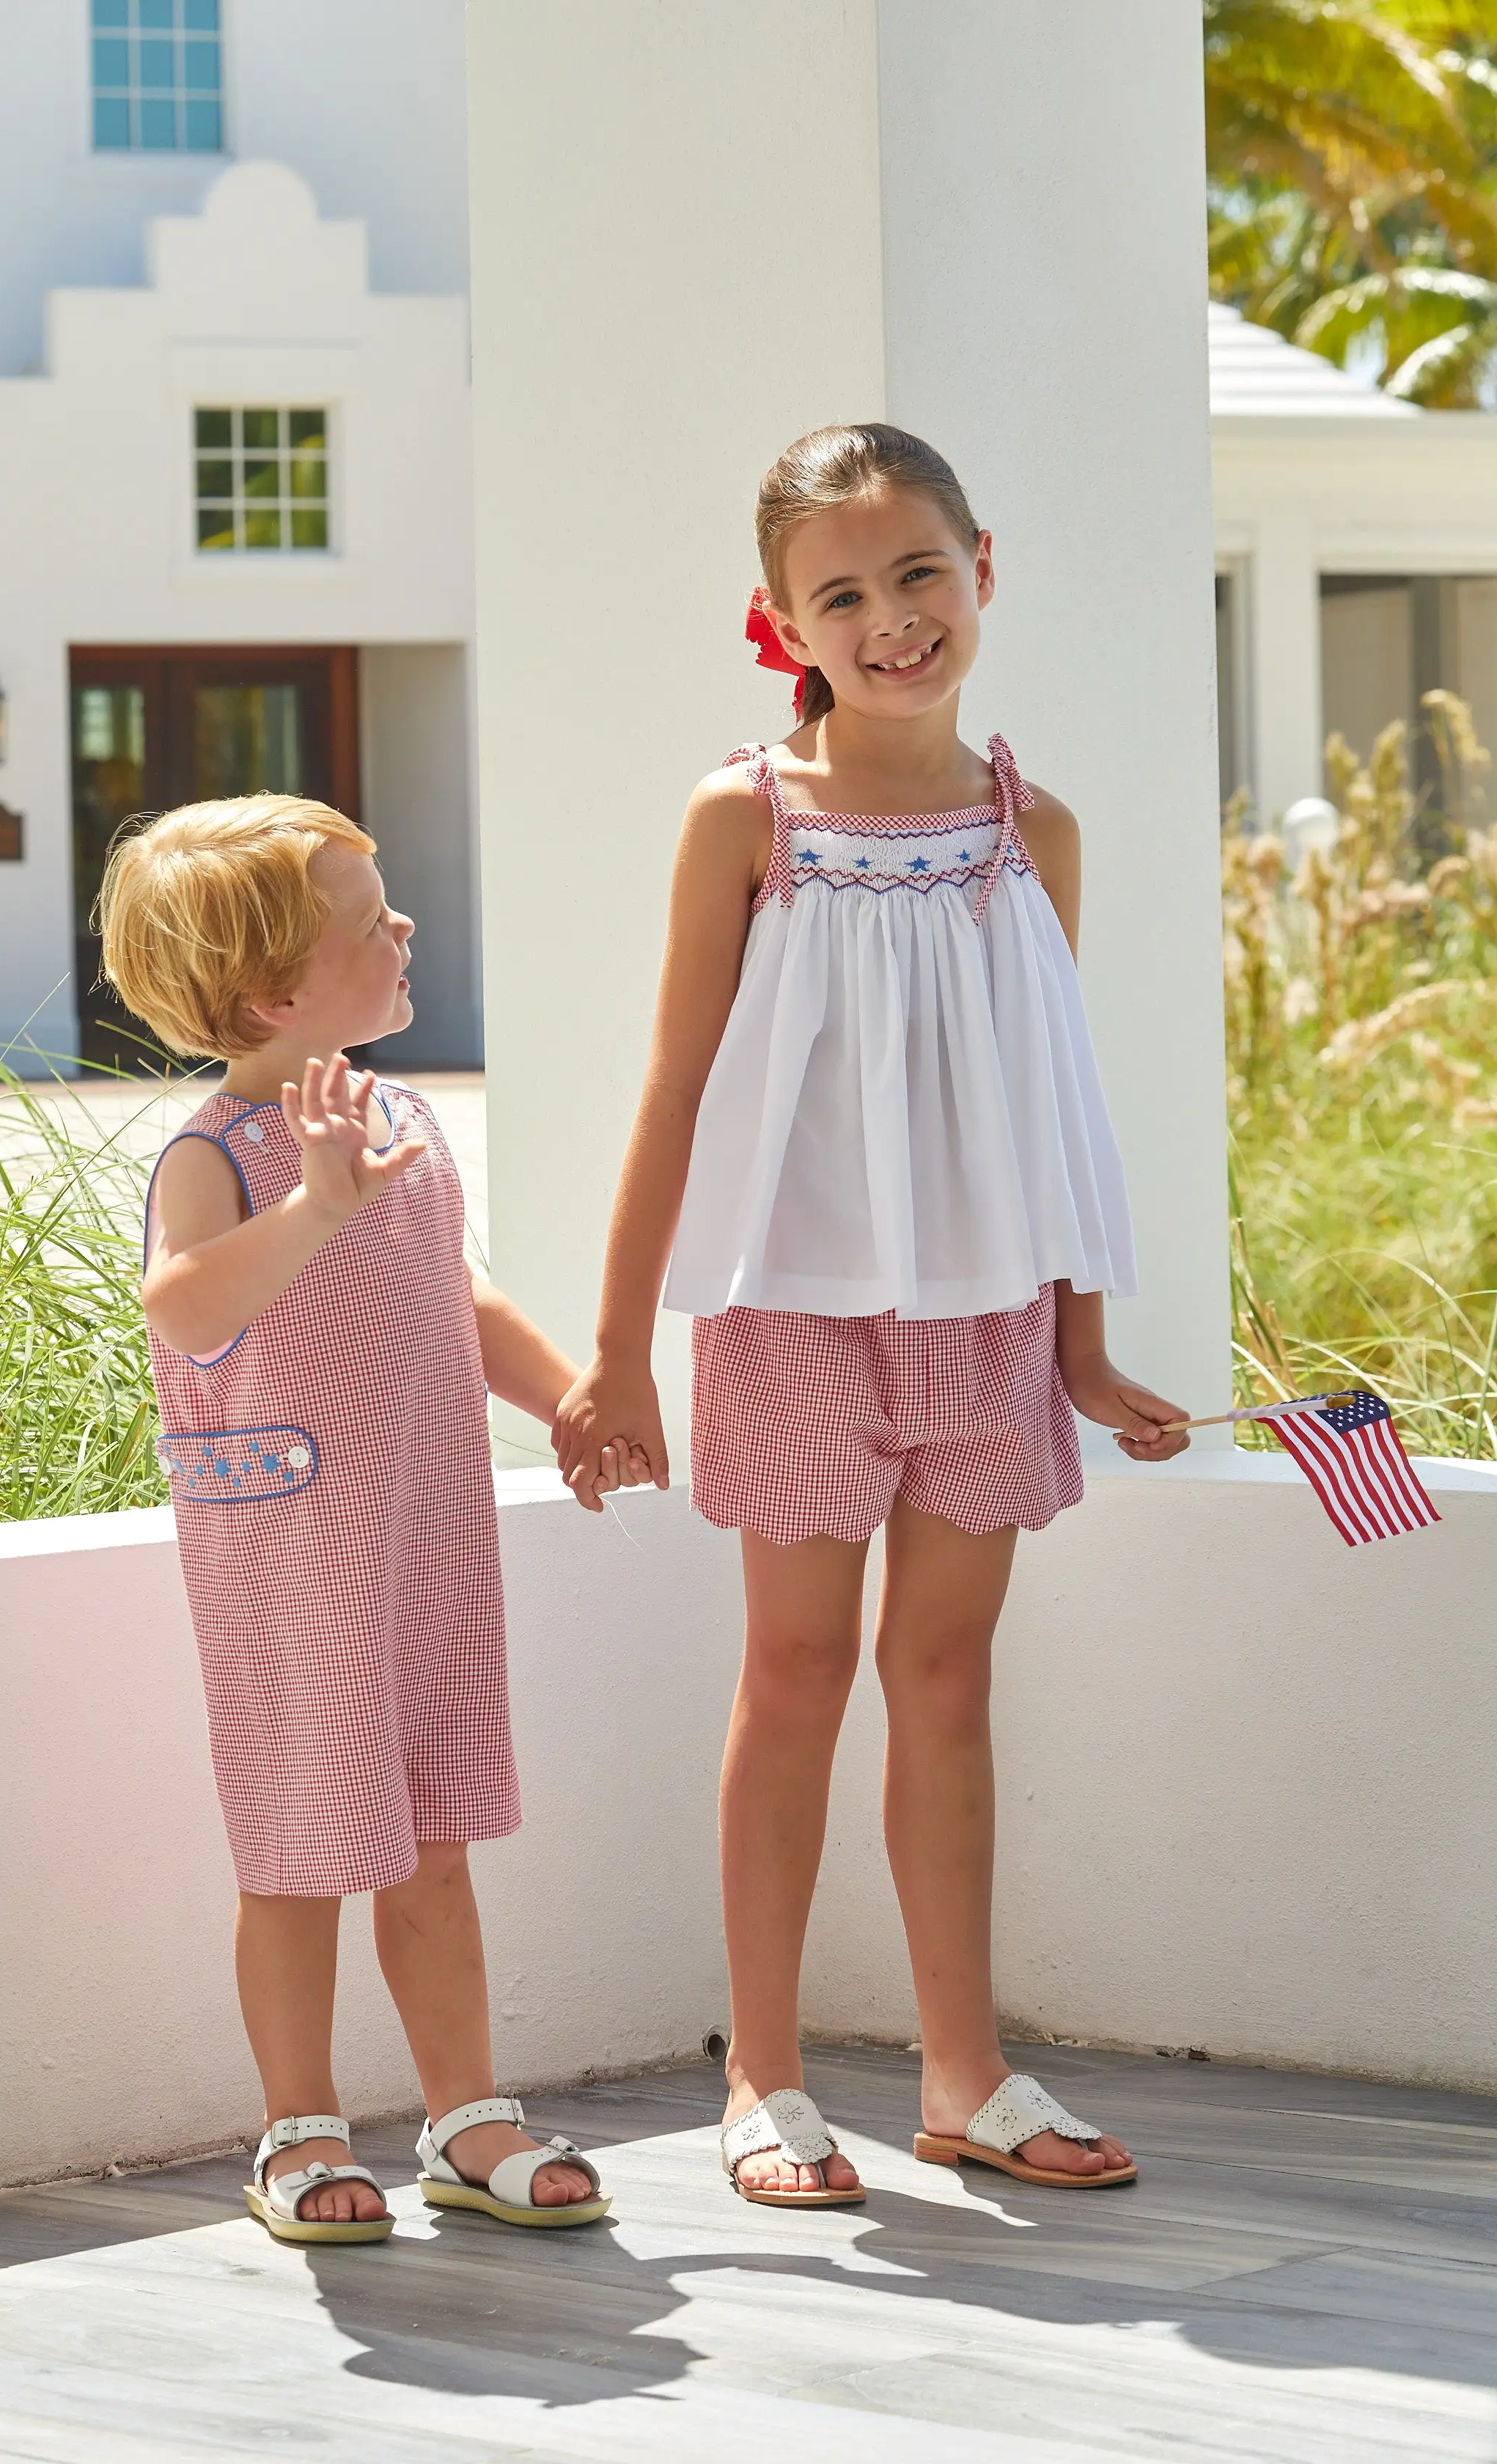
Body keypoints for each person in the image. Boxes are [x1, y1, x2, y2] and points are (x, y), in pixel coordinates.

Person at [554, 422, 1191, 2207]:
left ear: (984, 569)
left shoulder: (1030, 832)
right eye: (842, 592)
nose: (892, 617)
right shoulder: (743, 820)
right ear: (784, 623)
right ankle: (760, 2079)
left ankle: (961, 2074)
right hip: (785, 1314)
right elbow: (673, 1090)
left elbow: (1043, 1105)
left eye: (919, 573)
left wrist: (1083, 1353)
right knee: (796, 1672)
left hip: (988, 1322)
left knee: (947, 1680)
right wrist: (615, 1352)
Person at [101, 793, 645, 2243]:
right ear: (272, 990)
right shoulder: (219, 1155)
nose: (402, 927)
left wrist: (572, 1405)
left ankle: (466, 2118)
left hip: (428, 1542)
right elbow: (182, 1304)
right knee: (300, 1851)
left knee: (436, 1837)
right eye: (367, 920)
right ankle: (299, 2131)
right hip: (294, 1560)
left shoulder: (398, 1115)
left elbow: (456, 1302)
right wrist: (314, 1209)